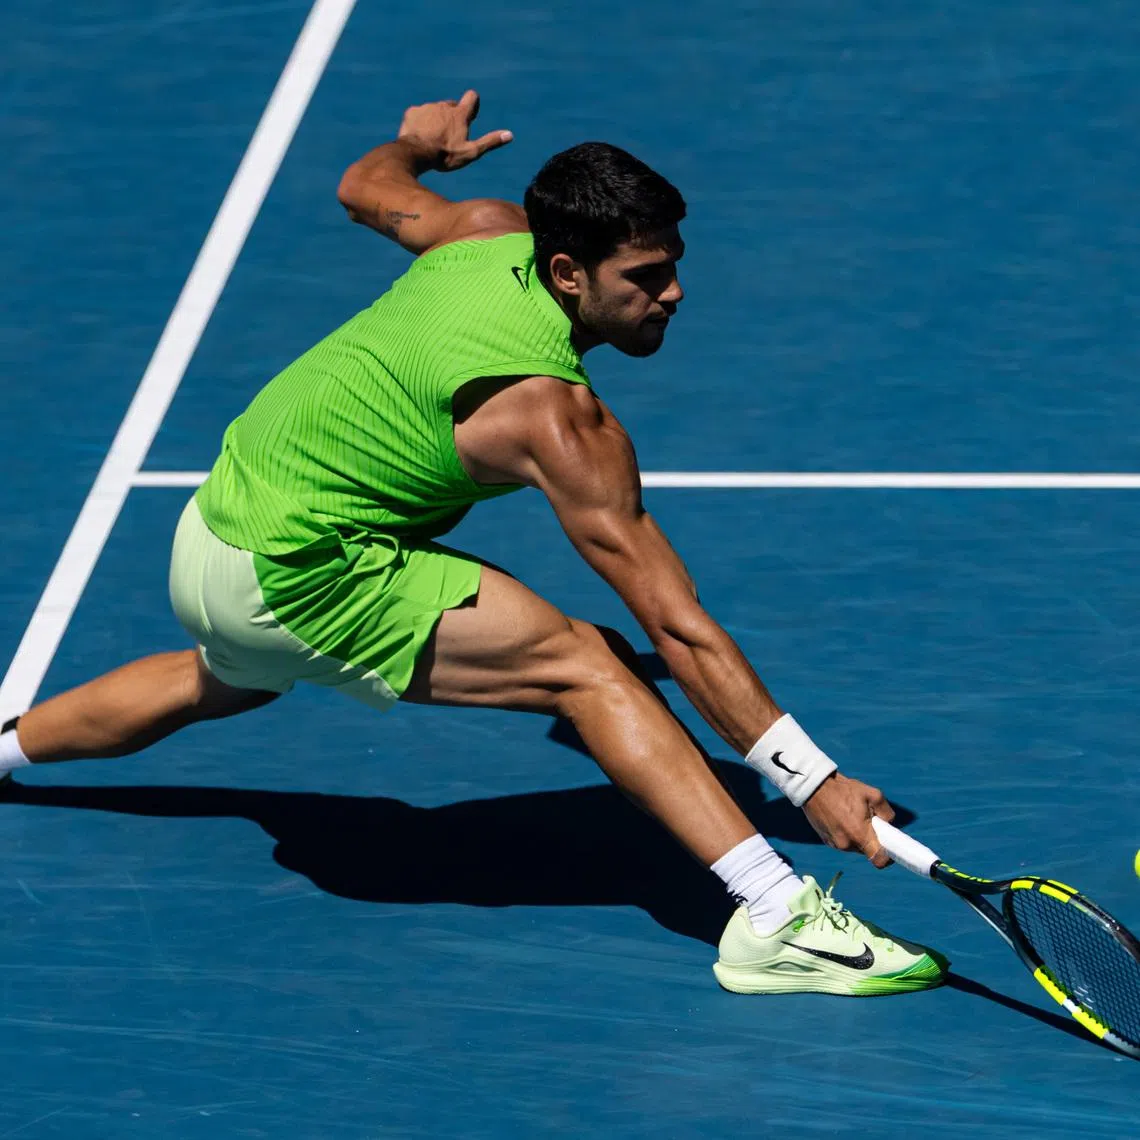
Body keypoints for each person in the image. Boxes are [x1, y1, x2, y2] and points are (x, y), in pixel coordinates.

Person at [0, 92, 945, 995]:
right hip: (302, 572)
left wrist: (418, 148)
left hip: (212, 538)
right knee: (586, 668)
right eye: (646, 278)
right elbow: (678, 621)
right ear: (569, 274)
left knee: (222, 674)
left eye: (674, 264)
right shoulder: (558, 420)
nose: (674, 293)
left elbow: (363, 186)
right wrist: (808, 782)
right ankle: (776, 918)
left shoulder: (485, 231)